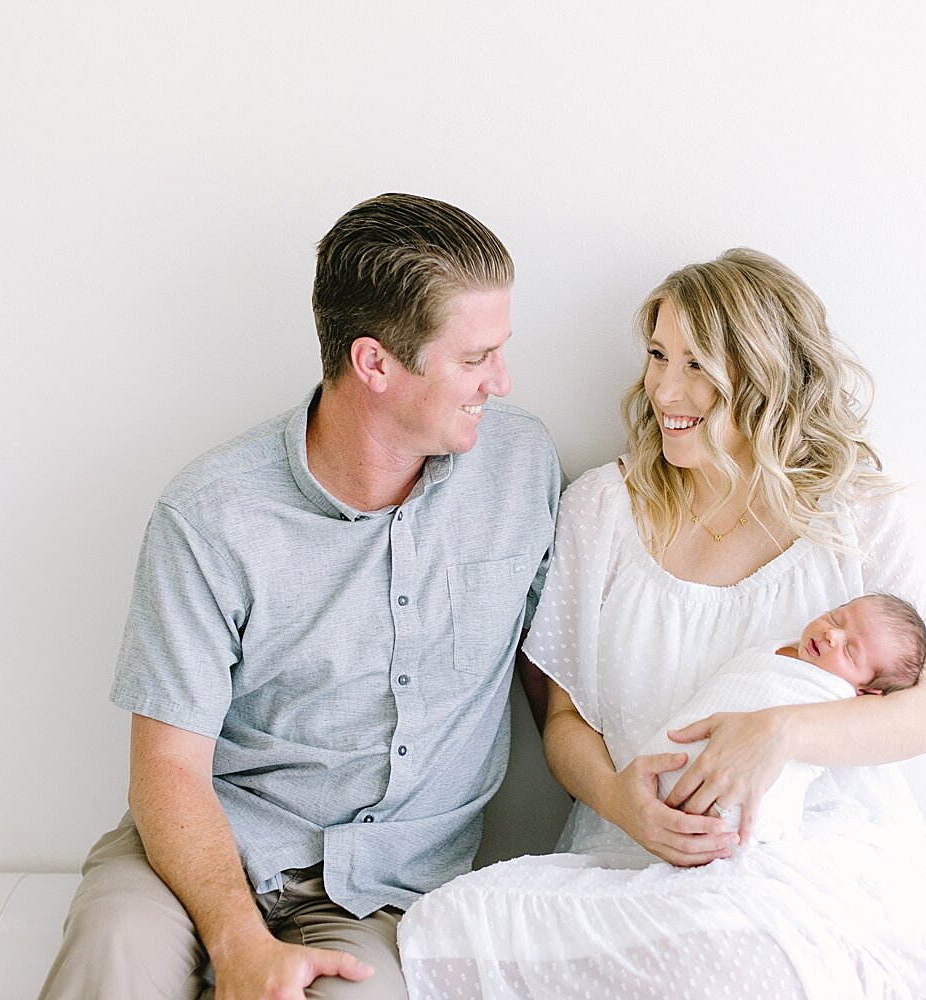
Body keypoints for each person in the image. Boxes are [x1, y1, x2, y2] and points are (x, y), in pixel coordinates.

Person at [397, 249, 926, 999]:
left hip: (815, 858)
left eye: (696, 365)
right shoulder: (601, 510)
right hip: (637, 862)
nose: (664, 388)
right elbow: (562, 717)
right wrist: (619, 801)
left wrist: (777, 734)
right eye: (658, 355)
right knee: (448, 928)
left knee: (744, 958)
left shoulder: (855, 515)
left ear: (761, 376)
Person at [39, 193, 562, 1000]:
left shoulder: (521, 466)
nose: (501, 379)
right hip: (199, 855)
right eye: (474, 358)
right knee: (114, 959)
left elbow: (551, 679)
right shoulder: (212, 515)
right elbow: (169, 771)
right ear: (374, 363)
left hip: (382, 896)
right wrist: (239, 942)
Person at [644, 592, 926, 842]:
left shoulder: (835, 698)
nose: (832, 636)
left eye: (850, 650)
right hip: (662, 774)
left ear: (866, 691)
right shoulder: (776, 646)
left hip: (736, 818)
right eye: (836, 619)